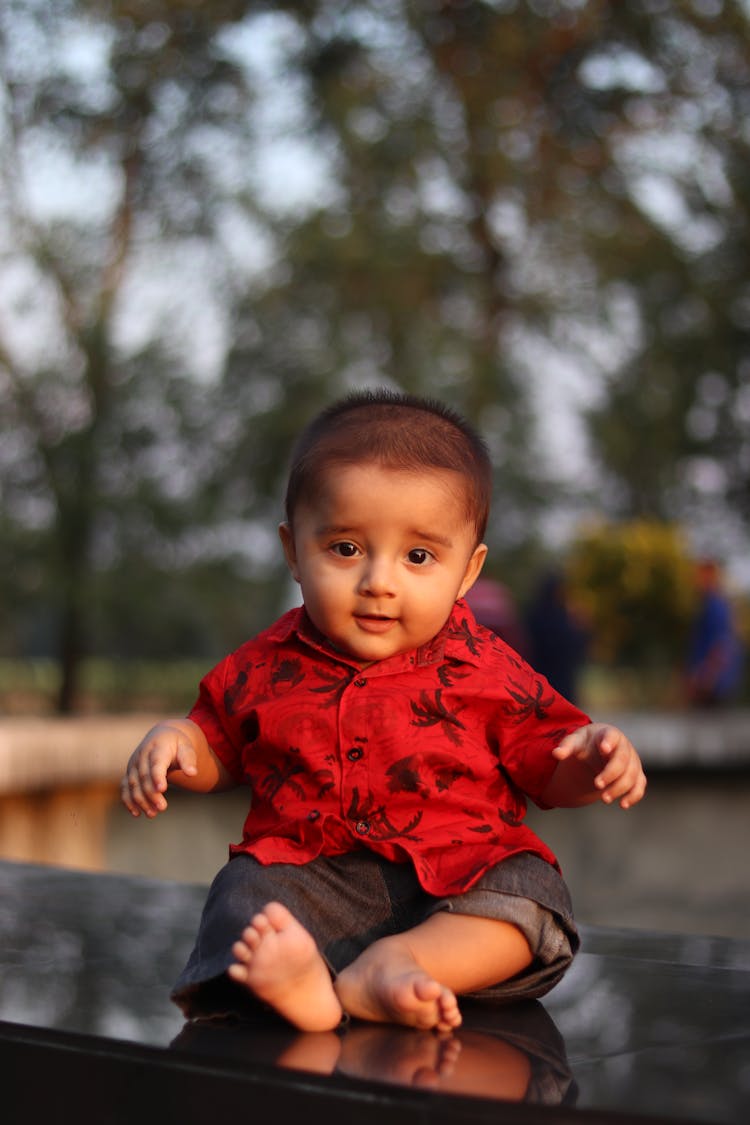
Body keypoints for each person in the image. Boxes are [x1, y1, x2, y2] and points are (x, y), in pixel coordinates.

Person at [121, 390, 646, 1035]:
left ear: (467, 571)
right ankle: (305, 984)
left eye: (418, 557)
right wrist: (177, 742)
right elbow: (218, 746)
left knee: (531, 893)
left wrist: (591, 763)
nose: (378, 581)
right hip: (313, 884)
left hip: (456, 889)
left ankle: (394, 965)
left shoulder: (488, 666)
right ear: (293, 551)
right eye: (344, 549)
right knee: (243, 894)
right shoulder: (267, 664)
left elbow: (549, 767)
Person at [525, 570, 590, 706]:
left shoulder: (534, 615)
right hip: (563, 680)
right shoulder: (565, 618)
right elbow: (579, 646)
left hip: (539, 681)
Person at [686, 559, 744, 707]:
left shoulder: (716, 607)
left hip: (713, 686)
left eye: (699, 575)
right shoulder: (707, 605)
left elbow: (722, 646)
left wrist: (705, 678)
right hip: (710, 684)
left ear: (710, 576)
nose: (695, 581)